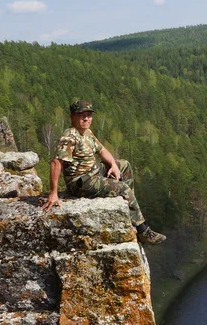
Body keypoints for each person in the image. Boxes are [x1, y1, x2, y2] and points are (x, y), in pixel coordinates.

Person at [42, 99, 167, 245]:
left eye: (89, 115)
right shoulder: (70, 136)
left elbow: (101, 150)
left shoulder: (87, 133)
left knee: (124, 165)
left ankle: (129, 212)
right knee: (123, 188)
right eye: (82, 115)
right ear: (72, 117)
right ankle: (142, 230)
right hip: (80, 182)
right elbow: (56, 162)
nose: (86, 118)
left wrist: (113, 164)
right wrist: (53, 193)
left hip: (93, 172)